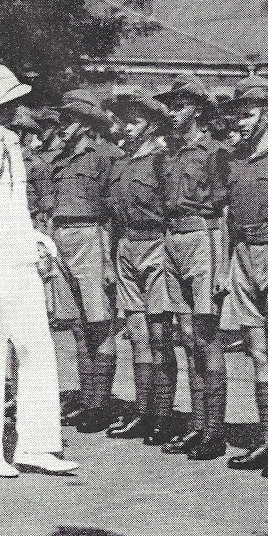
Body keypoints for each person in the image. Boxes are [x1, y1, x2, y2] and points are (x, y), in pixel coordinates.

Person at [0, 64, 79, 478]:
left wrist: (34, 243)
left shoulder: (4, 142)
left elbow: (14, 207)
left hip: (15, 258)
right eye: (10, 102)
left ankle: (35, 445)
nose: (16, 109)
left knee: (33, 348)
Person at [153, 73, 230, 459]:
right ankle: (197, 425)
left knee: (206, 333)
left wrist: (220, 266)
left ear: (196, 109)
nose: (171, 112)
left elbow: (222, 210)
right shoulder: (168, 153)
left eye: (178, 105)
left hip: (203, 238)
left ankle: (214, 432)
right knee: (184, 332)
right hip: (172, 239)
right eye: (169, 105)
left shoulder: (214, 152)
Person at [101, 91, 177, 443]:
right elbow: (110, 215)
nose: (126, 128)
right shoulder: (120, 164)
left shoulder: (162, 162)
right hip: (126, 247)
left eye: (134, 121)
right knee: (137, 335)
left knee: (161, 335)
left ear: (151, 125)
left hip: (157, 245)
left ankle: (163, 415)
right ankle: (143, 413)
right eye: (123, 121)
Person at [50, 89, 119, 434]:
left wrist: (108, 259)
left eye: (69, 118)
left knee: (100, 323)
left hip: (91, 236)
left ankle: (101, 405)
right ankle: (88, 399)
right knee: (77, 325)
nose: (62, 125)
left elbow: (113, 211)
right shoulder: (61, 156)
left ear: (87, 123)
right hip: (61, 237)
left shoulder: (106, 155)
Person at [222, 76, 268, 478]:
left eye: (248, 113)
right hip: (243, 254)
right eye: (237, 113)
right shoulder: (233, 159)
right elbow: (226, 216)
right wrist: (226, 265)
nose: (240, 121)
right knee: (257, 353)